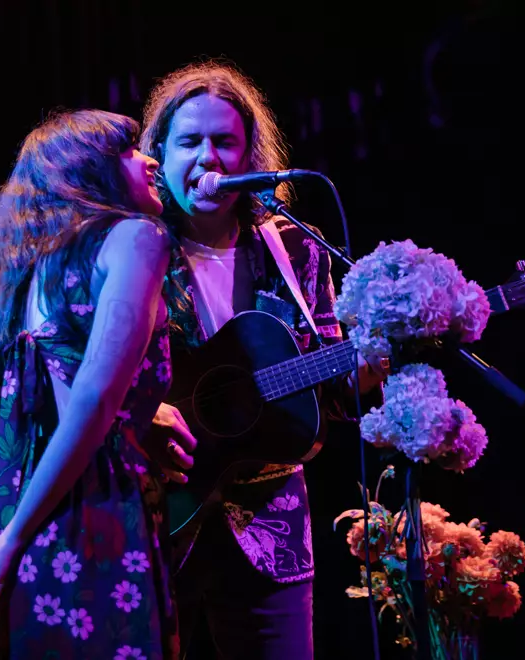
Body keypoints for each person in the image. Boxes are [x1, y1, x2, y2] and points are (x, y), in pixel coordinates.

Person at [138, 61, 386, 659]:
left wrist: (364, 372)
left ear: (252, 156)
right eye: (190, 142)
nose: (209, 159)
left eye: (225, 142)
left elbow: (329, 386)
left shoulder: (294, 246)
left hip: (270, 519)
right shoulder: (133, 246)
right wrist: (139, 416)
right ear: (160, 156)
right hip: (155, 508)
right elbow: (82, 368)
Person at [0, 108, 181, 659]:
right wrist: (17, 534)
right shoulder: (137, 238)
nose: (150, 161)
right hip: (93, 523)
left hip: (6, 534)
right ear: (88, 171)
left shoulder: (9, 274)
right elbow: (95, 398)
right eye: (128, 151)